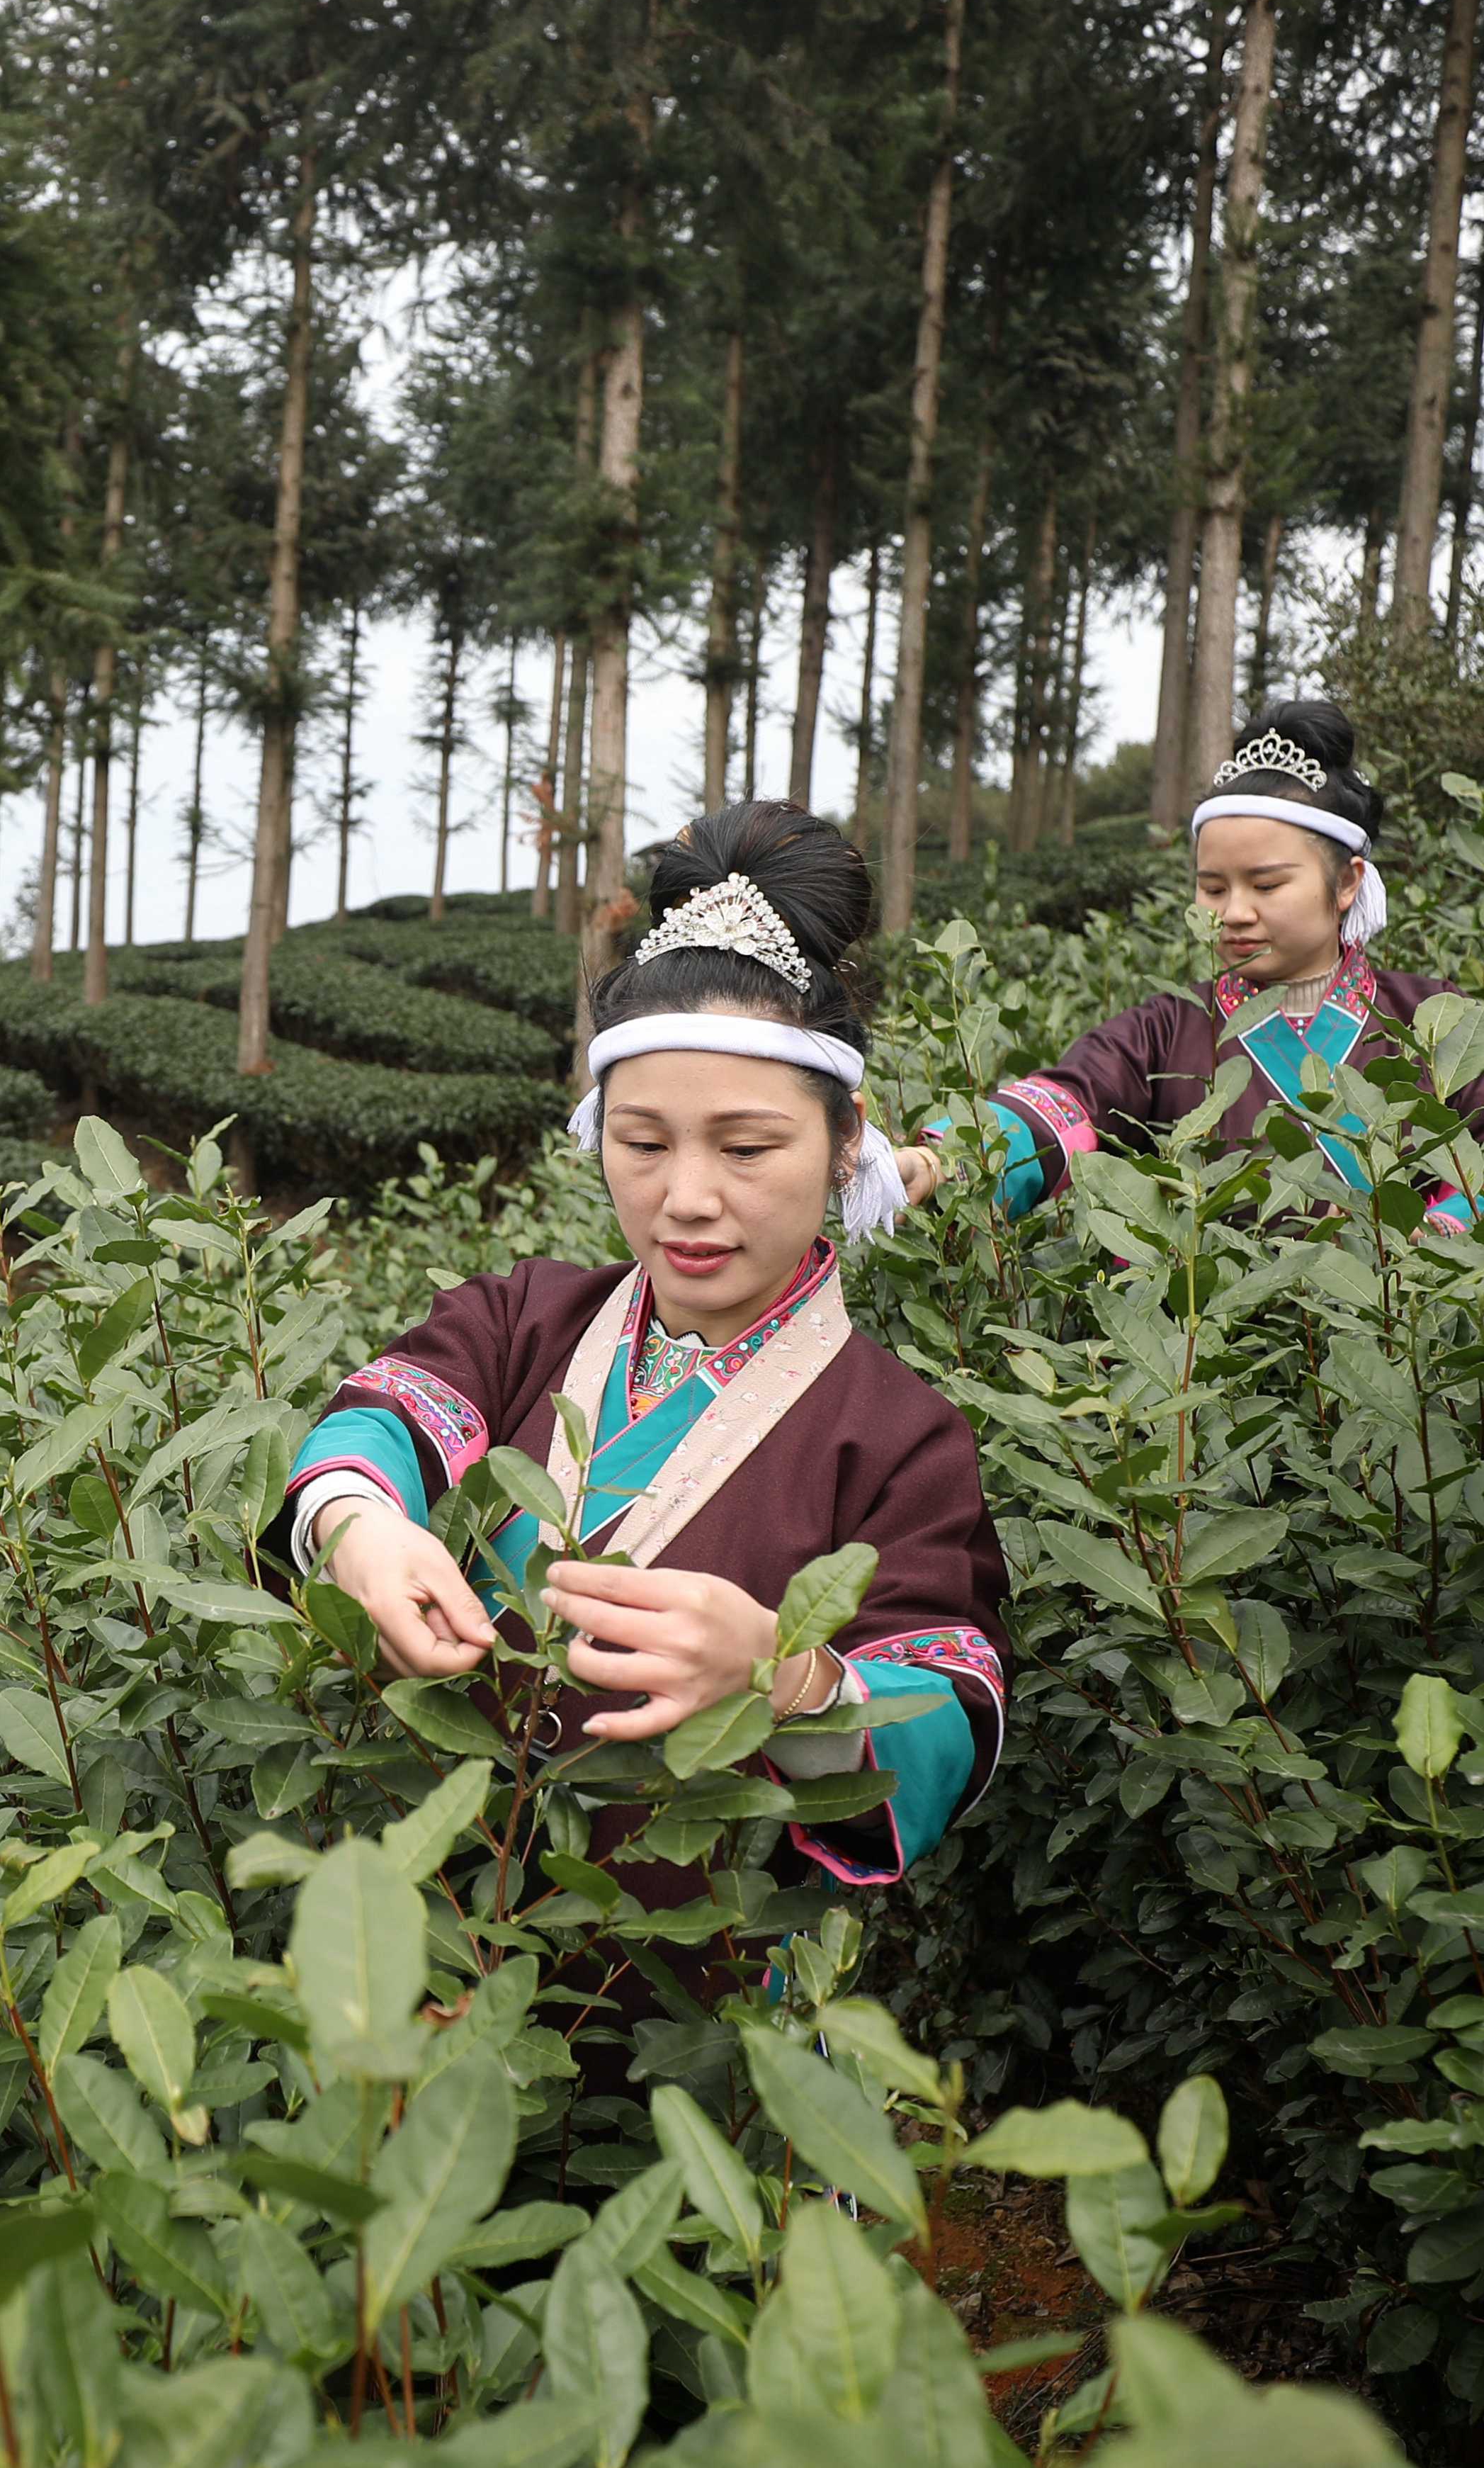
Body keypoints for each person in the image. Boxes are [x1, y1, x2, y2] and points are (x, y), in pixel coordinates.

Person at [281, 799, 1012, 1903]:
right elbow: (378, 1421)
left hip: (699, 2011)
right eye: (641, 1142)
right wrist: (359, 1526)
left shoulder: (899, 1437)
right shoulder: (525, 1320)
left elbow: (947, 1719)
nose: (687, 1199)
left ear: (845, 1138)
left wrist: (789, 1676)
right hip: (419, 1946)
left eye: (747, 1145)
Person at [895, 697, 1484, 1231]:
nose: (1232, 912)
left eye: (1264, 886)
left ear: (1346, 883)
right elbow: (1070, 1099)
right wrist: (948, 1157)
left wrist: (1444, 1234)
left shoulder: (1432, 1019)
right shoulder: (1168, 1027)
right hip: (1209, 1359)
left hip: (1403, 1346)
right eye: (1212, 887)